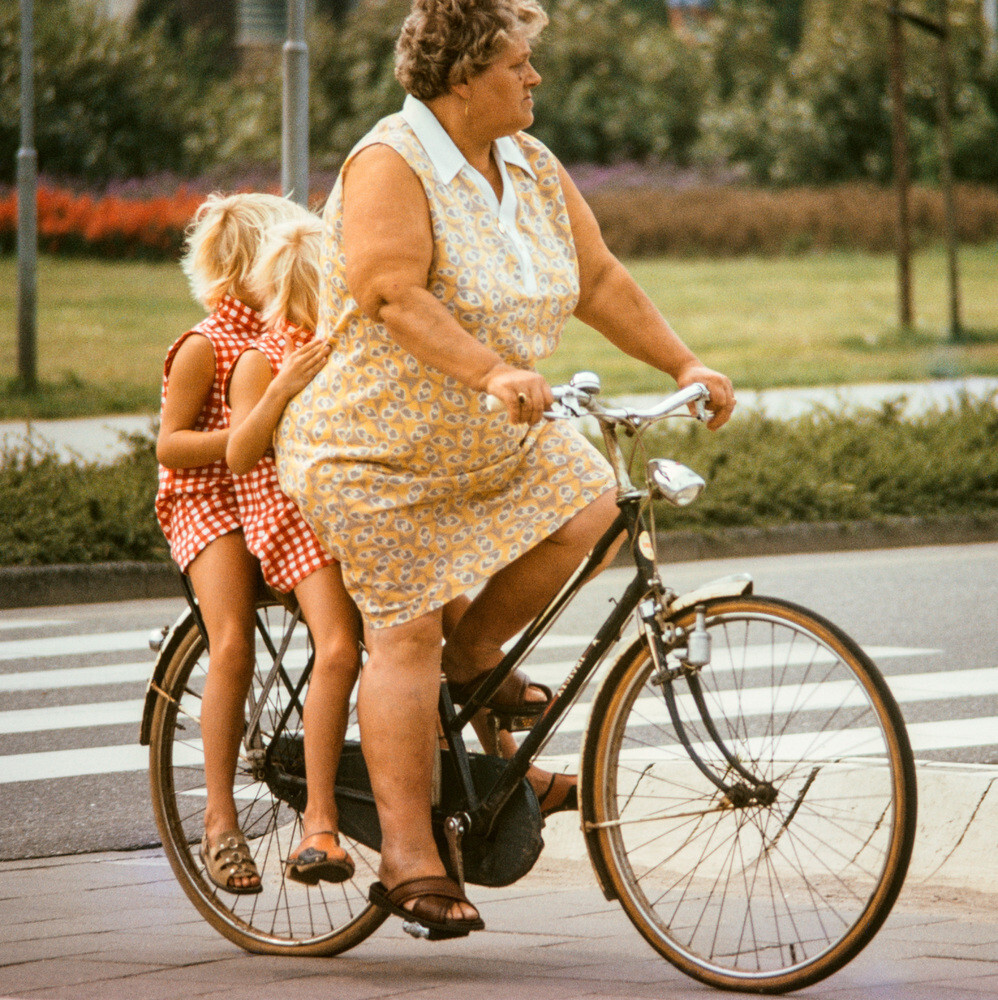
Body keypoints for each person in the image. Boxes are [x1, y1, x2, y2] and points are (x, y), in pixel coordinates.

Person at [274, 0, 735, 938]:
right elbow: (390, 291)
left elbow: (597, 277)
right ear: (460, 77)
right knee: (401, 637)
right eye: (519, 65)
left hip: (491, 432)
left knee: (598, 509)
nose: (535, 79)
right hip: (374, 450)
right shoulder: (389, 163)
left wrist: (684, 363)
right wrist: (493, 368)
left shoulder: (530, 162)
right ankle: (410, 857)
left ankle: (474, 654)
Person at [155, 192, 310, 895]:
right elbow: (172, 445)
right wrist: (251, 436)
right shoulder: (205, 345)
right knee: (233, 640)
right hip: (206, 498)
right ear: (250, 264)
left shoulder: (288, 336)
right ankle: (220, 819)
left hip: (270, 492)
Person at [225, 216, 360, 885]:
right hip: (289, 515)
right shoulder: (264, 357)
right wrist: (282, 387)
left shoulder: (341, 343)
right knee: (337, 645)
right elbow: (239, 452)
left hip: (342, 505)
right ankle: (319, 814)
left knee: (440, 604)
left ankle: (508, 758)